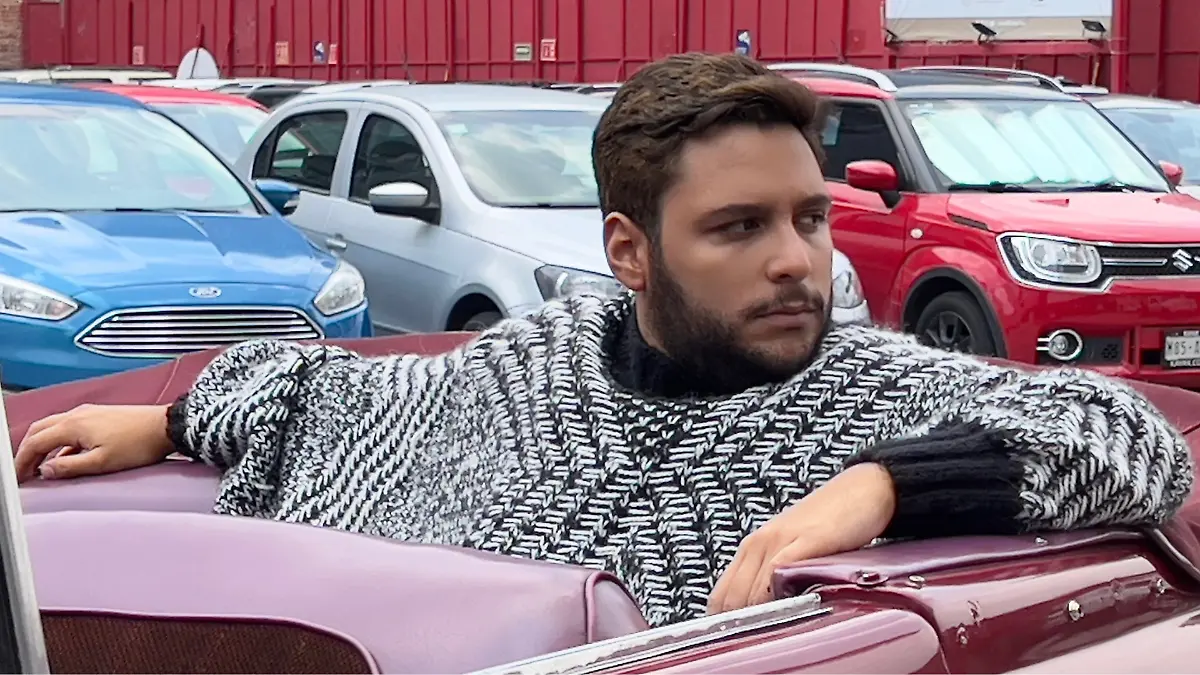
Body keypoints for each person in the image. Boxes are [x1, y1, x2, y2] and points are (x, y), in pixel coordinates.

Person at [14, 53, 1194, 628]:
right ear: (629, 250)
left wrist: (880, 488)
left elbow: (1125, 437)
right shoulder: (532, 366)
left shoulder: (875, 391)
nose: (797, 260)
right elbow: (334, 394)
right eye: (739, 227)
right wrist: (171, 419)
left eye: (809, 217)